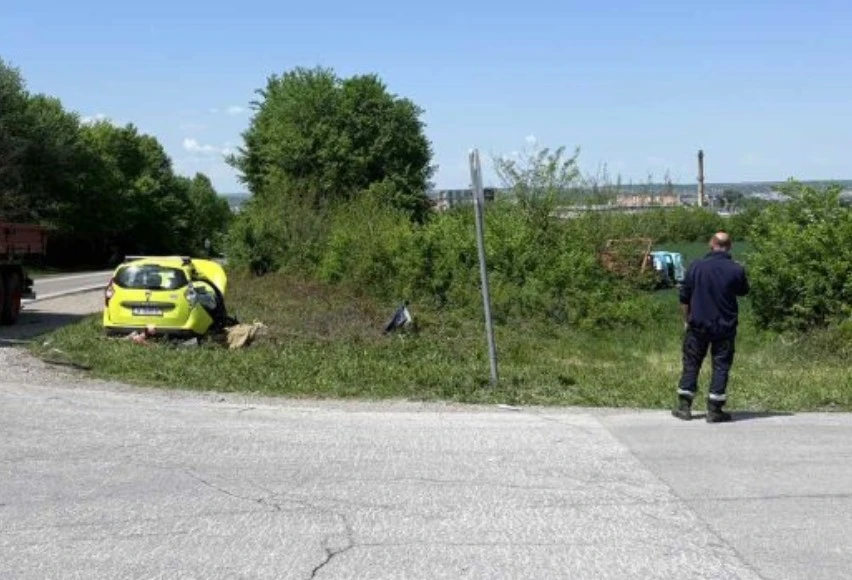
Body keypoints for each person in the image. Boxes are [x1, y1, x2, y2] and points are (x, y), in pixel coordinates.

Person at [673, 231, 749, 423]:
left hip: (698, 324)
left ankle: (684, 407)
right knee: (721, 365)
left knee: (692, 362)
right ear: (729, 246)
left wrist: (686, 319)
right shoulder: (736, 269)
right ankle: (715, 410)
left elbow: (684, 297)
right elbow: (743, 291)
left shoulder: (696, 266)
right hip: (725, 326)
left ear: (711, 243)